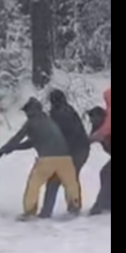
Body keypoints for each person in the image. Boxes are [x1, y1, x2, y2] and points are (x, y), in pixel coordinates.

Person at [0, 97, 82, 219]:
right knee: (71, 184)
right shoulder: (49, 121)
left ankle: (30, 211)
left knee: (34, 184)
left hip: (47, 159)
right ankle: (74, 208)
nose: (26, 114)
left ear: (32, 110)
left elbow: (17, 138)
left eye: (27, 111)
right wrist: (12, 149)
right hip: (66, 158)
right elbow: (32, 142)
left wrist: (3, 150)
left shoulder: (31, 122)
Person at [40, 89, 91, 218]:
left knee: (55, 181)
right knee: (71, 179)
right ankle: (74, 207)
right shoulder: (68, 110)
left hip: (73, 151)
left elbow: (58, 136)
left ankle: (47, 212)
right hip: (81, 149)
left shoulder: (59, 114)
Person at [88, 87, 111, 215]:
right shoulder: (98, 126)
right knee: (106, 173)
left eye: (93, 118)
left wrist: (96, 136)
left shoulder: (106, 123)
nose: (91, 121)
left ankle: (100, 205)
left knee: (107, 173)